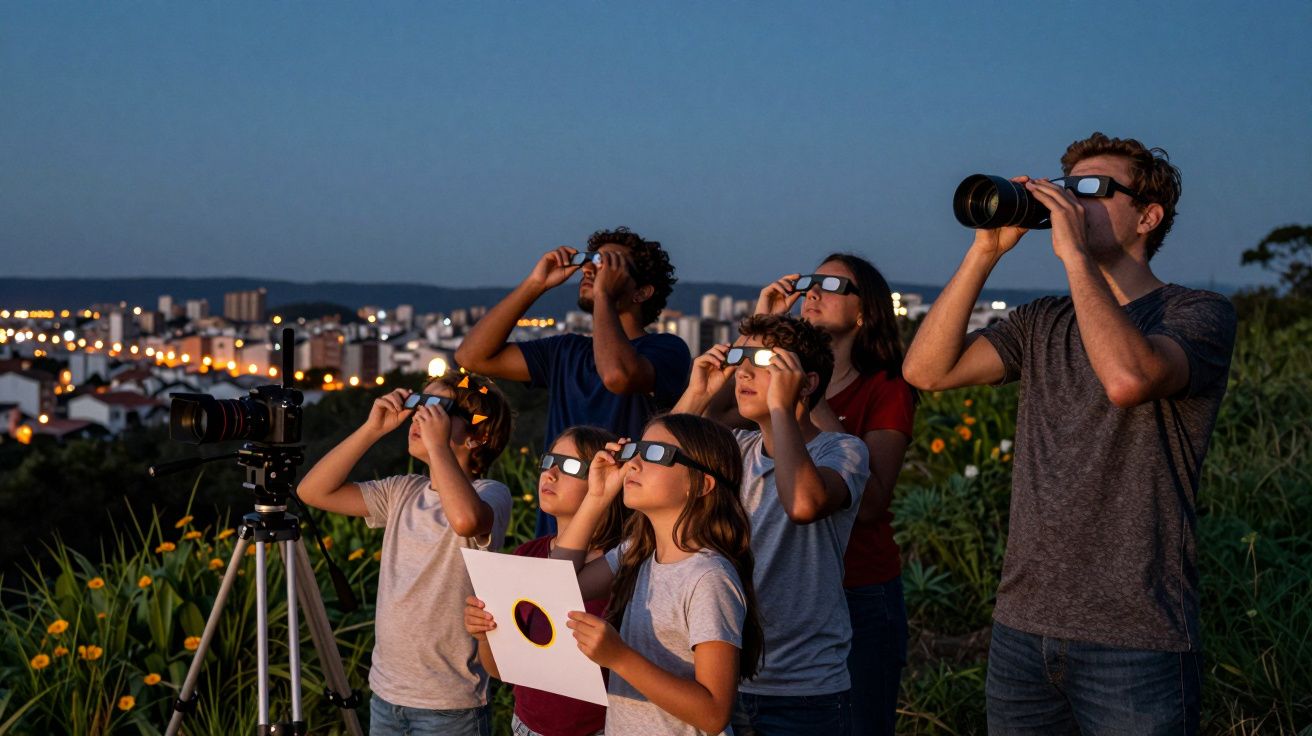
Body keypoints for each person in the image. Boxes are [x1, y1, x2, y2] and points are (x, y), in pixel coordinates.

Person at [903, 132, 1237, 734]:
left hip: (1136, 636)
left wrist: (1076, 257)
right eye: (1066, 189)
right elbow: (926, 371)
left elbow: (1128, 378)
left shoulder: (1198, 313)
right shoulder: (1041, 320)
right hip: (1022, 628)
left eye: (1093, 190)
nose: (1070, 203)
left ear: (1148, 216)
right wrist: (985, 253)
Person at [470, 413, 762, 735]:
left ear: (702, 484)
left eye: (654, 454)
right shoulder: (636, 552)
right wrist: (597, 496)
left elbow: (713, 713)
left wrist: (620, 658)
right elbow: (554, 588)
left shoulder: (708, 577)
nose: (633, 464)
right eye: (636, 451)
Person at [675, 314, 871, 736]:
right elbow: (652, 465)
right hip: (722, 677)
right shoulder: (735, 449)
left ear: (807, 381)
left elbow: (803, 503)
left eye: (764, 360)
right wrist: (696, 395)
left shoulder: (842, 451)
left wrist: (783, 405)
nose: (743, 371)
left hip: (804, 688)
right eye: (742, 357)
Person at [297, 372, 514, 736]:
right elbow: (313, 491)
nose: (421, 417)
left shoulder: (492, 493)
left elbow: (465, 521)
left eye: (438, 409)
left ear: (480, 435)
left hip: (450, 704)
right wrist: (372, 429)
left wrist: (439, 447)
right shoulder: (402, 491)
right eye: (419, 405)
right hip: (386, 694)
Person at [755, 254, 915, 736]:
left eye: (830, 285)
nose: (812, 293)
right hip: (788, 589)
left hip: (859, 587)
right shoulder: (776, 389)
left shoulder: (887, 388)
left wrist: (808, 390)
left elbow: (870, 503)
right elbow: (711, 426)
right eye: (809, 284)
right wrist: (766, 330)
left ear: (865, 312)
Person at [455, 227, 692, 536]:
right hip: (556, 530)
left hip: (624, 532)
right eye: (591, 261)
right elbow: (472, 357)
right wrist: (535, 284)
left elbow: (617, 376)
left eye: (610, 264)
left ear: (641, 292)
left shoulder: (666, 349)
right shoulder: (566, 351)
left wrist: (603, 295)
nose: (592, 269)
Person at [464, 426, 626, 736]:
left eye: (569, 466)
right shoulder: (527, 554)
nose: (549, 474)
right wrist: (483, 634)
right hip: (526, 726)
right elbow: (501, 670)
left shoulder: (620, 566)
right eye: (549, 460)